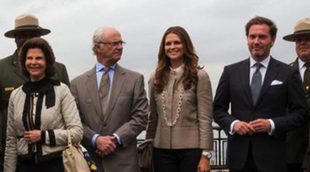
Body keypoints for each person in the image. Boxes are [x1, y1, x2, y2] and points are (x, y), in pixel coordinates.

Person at [213, 16, 308, 172]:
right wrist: (233, 124)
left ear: (272, 40)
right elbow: (218, 109)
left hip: (274, 159)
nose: (256, 41)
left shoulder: (288, 73)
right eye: (252, 37)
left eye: (262, 37)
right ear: (247, 39)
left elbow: (301, 114)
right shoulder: (230, 72)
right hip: (239, 159)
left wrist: (271, 124)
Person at [70, 26, 149, 172]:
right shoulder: (77, 84)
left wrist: (115, 139)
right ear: (98, 47)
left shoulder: (135, 79)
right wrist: (95, 139)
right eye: (114, 43)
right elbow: (74, 121)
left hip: (125, 164)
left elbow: (141, 116)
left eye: (121, 43)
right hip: (90, 163)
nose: (120, 47)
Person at [0, 13, 70, 171]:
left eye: (33, 34)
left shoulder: (59, 69)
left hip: (54, 157)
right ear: (15, 38)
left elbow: (70, 117)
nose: (28, 39)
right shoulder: (1, 69)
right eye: (23, 35)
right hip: (13, 156)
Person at [3, 37, 83, 172]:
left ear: (47, 61)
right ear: (24, 62)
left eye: (38, 58)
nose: (33, 62)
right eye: (29, 58)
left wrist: (43, 136)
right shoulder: (16, 96)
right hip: (25, 167)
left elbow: (77, 133)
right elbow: (11, 141)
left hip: (56, 165)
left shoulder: (61, 91)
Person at [145, 26, 213, 172]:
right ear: (163, 48)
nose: (172, 47)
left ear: (185, 45)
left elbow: (205, 118)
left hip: (192, 150)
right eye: (168, 44)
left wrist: (206, 154)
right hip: (160, 150)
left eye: (177, 42)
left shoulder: (200, 76)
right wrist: (148, 144)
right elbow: (152, 117)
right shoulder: (155, 78)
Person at [283, 18, 310, 172]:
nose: (302, 43)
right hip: (290, 156)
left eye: (307, 39)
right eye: (298, 40)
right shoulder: (284, 73)